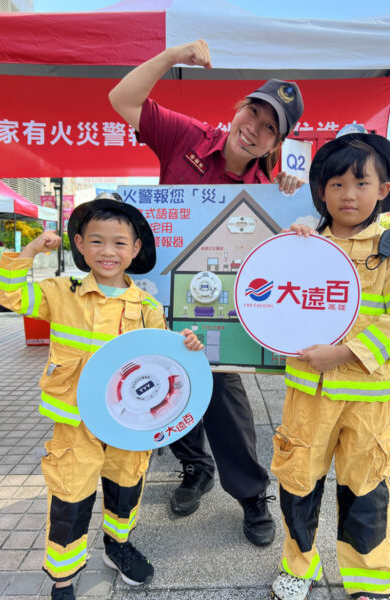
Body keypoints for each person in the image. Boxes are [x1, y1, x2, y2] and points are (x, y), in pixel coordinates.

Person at [108, 39, 305, 546]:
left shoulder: (271, 187)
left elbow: (299, 243)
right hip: (158, 294)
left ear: (277, 141)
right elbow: (122, 100)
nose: (255, 130)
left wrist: (294, 207)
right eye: (254, 113)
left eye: (269, 128)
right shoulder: (187, 136)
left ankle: (251, 493)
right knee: (166, 381)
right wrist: (171, 57)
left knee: (222, 389)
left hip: (219, 310)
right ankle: (195, 469)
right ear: (239, 108)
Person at [0, 193, 203, 600]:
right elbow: (9, 296)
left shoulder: (146, 305)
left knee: (127, 484)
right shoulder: (61, 291)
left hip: (131, 423)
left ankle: (117, 547)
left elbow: (164, 361)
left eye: (119, 243)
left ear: (136, 248)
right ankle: (63, 577)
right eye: (96, 241)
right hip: (77, 420)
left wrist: (187, 345)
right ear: (79, 244)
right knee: (71, 495)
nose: (108, 251)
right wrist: (33, 248)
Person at [270, 126, 390, 600]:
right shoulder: (305, 245)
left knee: (366, 487)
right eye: (336, 184)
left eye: (361, 183)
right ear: (321, 191)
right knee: (298, 482)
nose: (348, 194)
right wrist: (290, 243)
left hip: (367, 398)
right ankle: (300, 567)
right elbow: (270, 297)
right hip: (308, 395)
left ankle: (369, 578)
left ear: (383, 190)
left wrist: (344, 353)